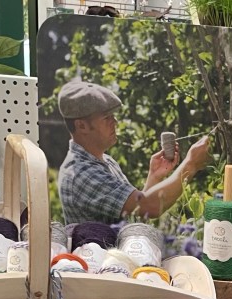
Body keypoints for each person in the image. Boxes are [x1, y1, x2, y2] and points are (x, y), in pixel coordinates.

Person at [56, 79, 210, 225]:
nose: (115, 122)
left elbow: (136, 212)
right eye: (107, 118)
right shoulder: (81, 173)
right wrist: (191, 165)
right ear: (81, 126)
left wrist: (154, 176)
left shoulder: (106, 161)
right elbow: (149, 207)